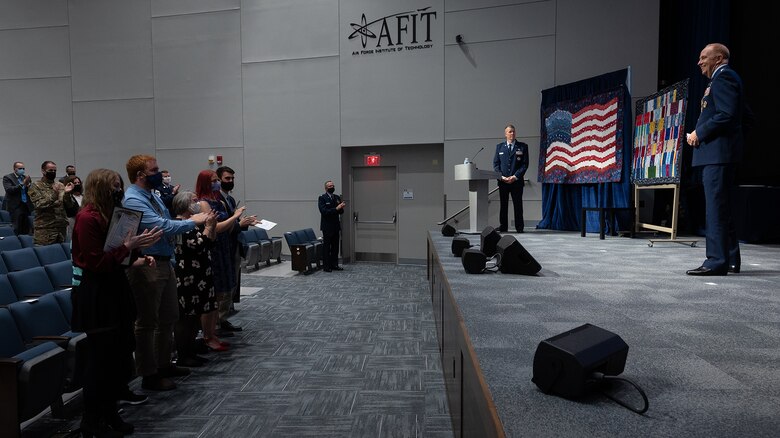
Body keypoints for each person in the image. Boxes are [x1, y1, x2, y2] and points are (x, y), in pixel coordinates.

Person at [71, 168, 162, 436]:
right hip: (97, 294)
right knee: (101, 362)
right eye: (113, 186)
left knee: (118, 357)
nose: (118, 189)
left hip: (115, 288)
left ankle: (110, 414)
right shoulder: (87, 218)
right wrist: (128, 246)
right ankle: (92, 422)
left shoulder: (112, 215)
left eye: (119, 185)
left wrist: (138, 251)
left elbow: (117, 258)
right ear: (100, 187)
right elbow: (97, 262)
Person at [123, 155, 209, 391]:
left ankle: (163, 365)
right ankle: (149, 374)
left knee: (168, 317)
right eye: (155, 170)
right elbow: (162, 226)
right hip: (147, 265)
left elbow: (166, 220)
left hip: (164, 262)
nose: (160, 174)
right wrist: (195, 221)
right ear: (141, 175)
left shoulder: (152, 196)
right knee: (147, 323)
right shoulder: (132, 199)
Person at [685, 43, 744, 276]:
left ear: (718, 58)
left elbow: (727, 115)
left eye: (703, 57)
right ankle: (729, 259)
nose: (699, 62)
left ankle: (715, 261)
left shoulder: (724, 78)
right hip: (721, 155)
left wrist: (700, 133)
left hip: (718, 157)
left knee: (715, 210)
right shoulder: (723, 80)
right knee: (722, 208)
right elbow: (745, 116)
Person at [171, 190, 223, 362]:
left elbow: (211, 243)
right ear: (185, 204)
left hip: (201, 274)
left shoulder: (193, 223)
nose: (198, 204)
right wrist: (208, 227)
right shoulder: (180, 224)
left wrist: (212, 226)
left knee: (196, 313)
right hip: (188, 276)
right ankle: (184, 353)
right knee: (187, 316)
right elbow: (200, 245)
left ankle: (191, 348)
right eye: (194, 201)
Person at [194, 170, 245, 344]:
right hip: (213, 249)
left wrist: (237, 222)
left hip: (223, 247)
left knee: (221, 293)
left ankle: (214, 329)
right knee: (213, 293)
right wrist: (237, 217)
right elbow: (217, 228)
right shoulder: (203, 203)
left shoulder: (218, 200)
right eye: (214, 180)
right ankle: (209, 333)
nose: (217, 183)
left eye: (217, 180)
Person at [216, 165, 258, 331]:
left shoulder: (230, 199)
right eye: (227, 179)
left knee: (232, 281)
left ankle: (224, 317)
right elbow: (222, 226)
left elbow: (234, 223)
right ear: (219, 180)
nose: (231, 181)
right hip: (223, 246)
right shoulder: (216, 199)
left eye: (232, 178)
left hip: (234, 245)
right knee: (224, 284)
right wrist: (239, 224)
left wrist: (246, 223)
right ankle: (218, 321)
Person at [28, 160, 78, 245]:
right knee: (46, 255)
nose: (53, 172)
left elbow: (68, 205)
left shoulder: (60, 185)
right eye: (50, 170)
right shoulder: (35, 186)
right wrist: (55, 195)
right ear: (43, 171)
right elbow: (39, 205)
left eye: (55, 171)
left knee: (61, 255)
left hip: (61, 228)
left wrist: (67, 194)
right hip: (45, 229)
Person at [493, 124, 529, 233]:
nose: (512, 133)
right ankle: (503, 226)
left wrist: (515, 176)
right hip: (503, 182)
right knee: (503, 205)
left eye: (513, 131)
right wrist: (501, 177)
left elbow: (524, 164)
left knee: (518, 205)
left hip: (516, 182)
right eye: (510, 132)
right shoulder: (499, 147)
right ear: (505, 134)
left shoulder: (523, 146)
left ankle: (519, 227)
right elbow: (496, 164)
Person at [318, 180, 345, 272]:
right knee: (327, 247)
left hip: (336, 226)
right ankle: (326, 266)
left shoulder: (336, 197)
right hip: (327, 226)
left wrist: (341, 207)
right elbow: (324, 212)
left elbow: (341, 212)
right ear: (326, 188)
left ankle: (334, 265)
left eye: (333, 185)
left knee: (335, 247)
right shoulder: (322, 198)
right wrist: (336, 208)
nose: (332, 187)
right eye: (330, 186)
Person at [2, 161, 33, 235]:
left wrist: (29, 186)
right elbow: (9, 190)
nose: (22, 170)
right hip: (15, 206)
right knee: (16, 227)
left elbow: (30, 191)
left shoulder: (25, 177)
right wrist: (22, 184)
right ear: (15, 169)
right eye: (20, 168)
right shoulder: (8, 177)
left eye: (23, 168)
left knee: (26, 228)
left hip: (26, 205)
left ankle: (25, 243)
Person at [63, 175, 84, 242]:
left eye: (78, 183)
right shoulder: (68, 197)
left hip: (83, 223)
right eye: (75, 183)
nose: (77, 184)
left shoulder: (84, 197)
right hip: (72, 222)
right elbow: (71, 210)